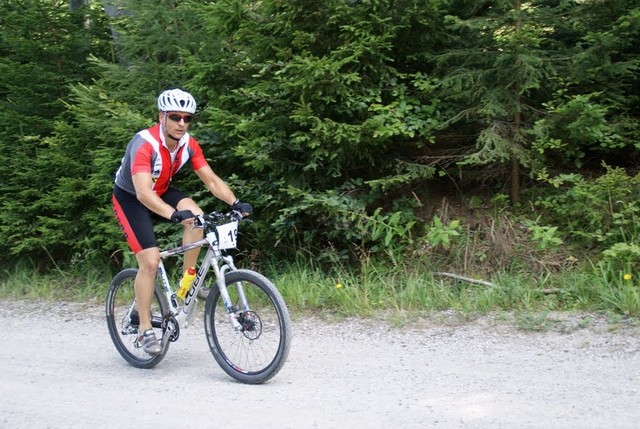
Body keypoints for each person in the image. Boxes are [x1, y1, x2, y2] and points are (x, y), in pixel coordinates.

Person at [112, 88, 252, 355]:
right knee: (150, 262)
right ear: (161, 117)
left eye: (187, 118)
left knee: (197, 219)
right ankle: (144, 328)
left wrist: (235, 202)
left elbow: (211, 180)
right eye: (175, 117)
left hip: (161, 191)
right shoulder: (144, 144)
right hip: (131, 198)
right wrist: (172, 214)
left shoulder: (188, 143)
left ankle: (187, 285)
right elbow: (143, 193)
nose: (181, 123)